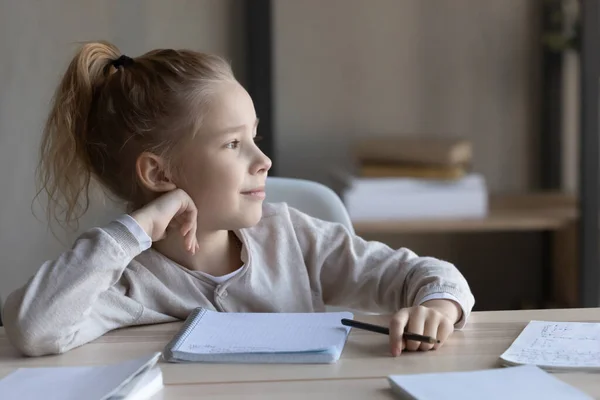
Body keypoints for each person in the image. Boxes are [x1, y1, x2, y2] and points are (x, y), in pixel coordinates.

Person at [2, 41, 475, 357]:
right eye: (233, 144)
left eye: (255, 137)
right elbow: (34, 327)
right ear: (159, 173)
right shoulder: (129, 283)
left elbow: (427, 275)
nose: (264, 159)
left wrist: (437, 308)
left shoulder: (292, 237)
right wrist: (139, 230)